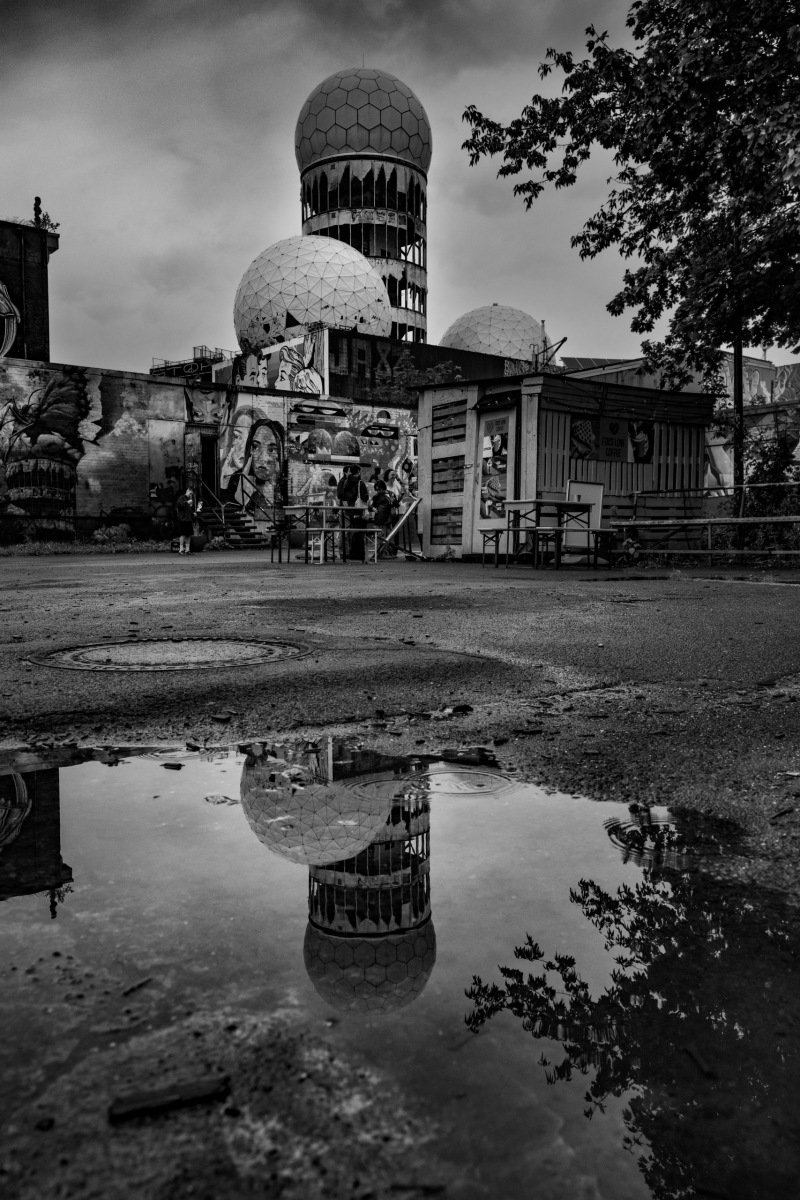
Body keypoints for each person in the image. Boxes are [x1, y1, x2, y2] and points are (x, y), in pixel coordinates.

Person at [369, 479, 397, 556]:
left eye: (379, 489)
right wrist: (373, 508)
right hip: (385, 519)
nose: (378, 491)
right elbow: (370, 506)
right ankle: (386, 553)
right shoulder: (390, 494)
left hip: (382, 519)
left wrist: (373, 508)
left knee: (383, 537)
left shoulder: (378, 496)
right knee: (386, 537)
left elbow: (370, 506)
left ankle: (384, 553)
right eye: (377, 490)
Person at [176, 488, 195, 554]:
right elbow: (178, 505)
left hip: (188, 519)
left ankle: (187, 550)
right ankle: (181, 549)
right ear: (187, 491)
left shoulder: (188, 499)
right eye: (190, 493)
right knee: (183, 534)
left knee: (188, 535)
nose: (190, 495)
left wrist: (193, 513)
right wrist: (186, 502)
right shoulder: (182, 497)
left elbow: (188, 509)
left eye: (191, 494)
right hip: (183, 519)